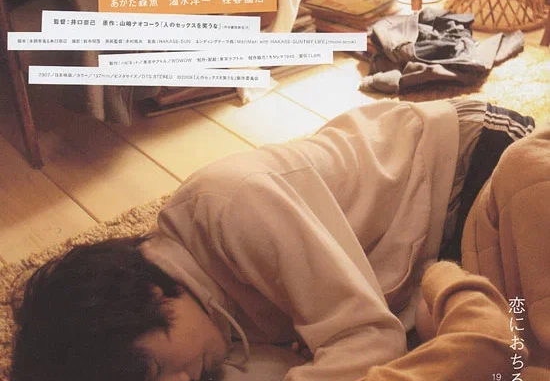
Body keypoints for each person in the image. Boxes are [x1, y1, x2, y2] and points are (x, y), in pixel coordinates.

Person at [10, 99, 542, 381]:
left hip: (470, 170)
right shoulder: (203, 331)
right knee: (498, 351)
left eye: (153, 370)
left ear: (150, 297)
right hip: (426, 267)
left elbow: (368, 340)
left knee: (520, 317)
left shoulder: (230, 207)